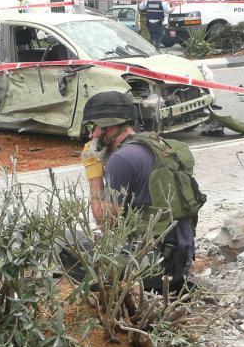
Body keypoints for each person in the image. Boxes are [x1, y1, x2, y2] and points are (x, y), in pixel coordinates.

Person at [61, 91, 206, 293]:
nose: (90, 135)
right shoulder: (157, 145)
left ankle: (110, 300)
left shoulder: (121, 160)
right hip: (180, 259)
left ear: (108, 126)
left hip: (154, 268)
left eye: (92, 127)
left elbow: (104, 221)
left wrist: (94, 174)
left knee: (65, 240)